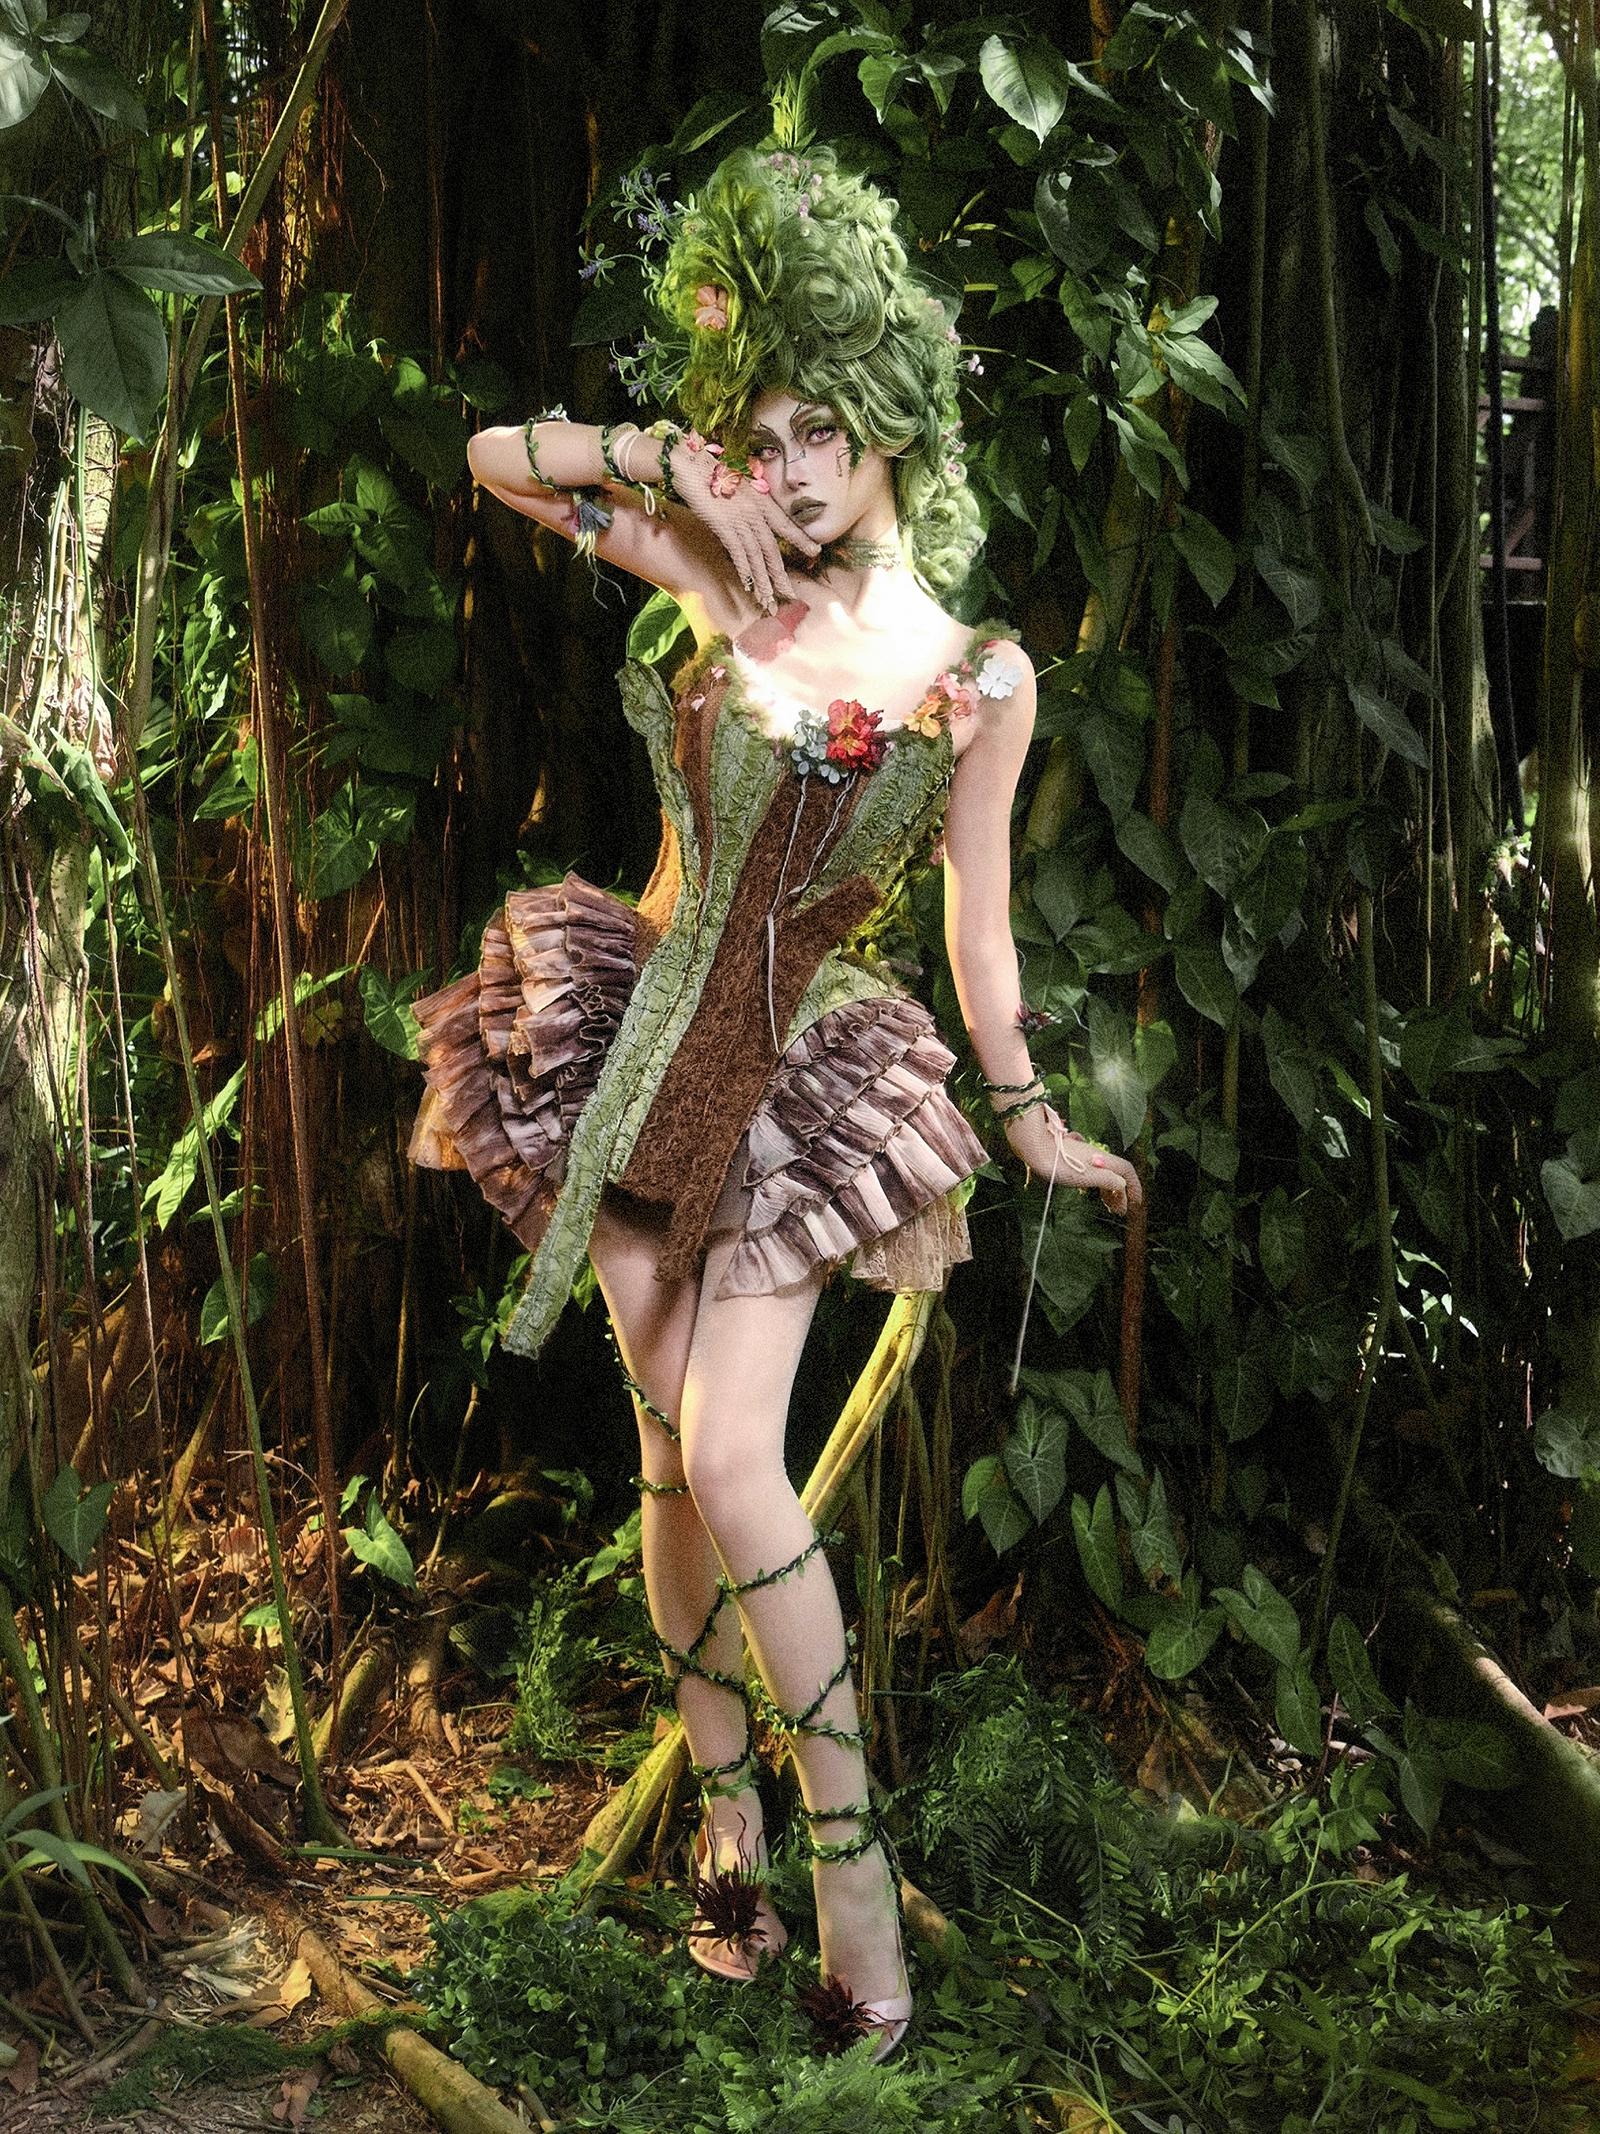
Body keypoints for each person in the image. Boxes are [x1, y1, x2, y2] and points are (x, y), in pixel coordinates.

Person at [405, 143, 1142, 2066]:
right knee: (672, 1460)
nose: (799, 470)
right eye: (772, 432)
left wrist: (1027, 1109)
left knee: (736, 1455)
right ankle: (722, 1827)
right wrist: (677, 464)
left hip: (799, 1070)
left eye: (828, 432)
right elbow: (497, 456)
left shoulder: (976, 678)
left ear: (893, 423)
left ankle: (854, 1895)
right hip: (631, 1032)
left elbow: (980, 923)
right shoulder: (721, 565)